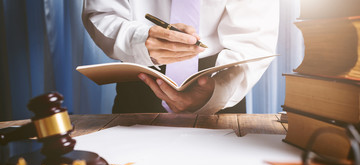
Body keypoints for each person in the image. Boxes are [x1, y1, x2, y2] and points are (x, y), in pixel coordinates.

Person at [82, 0, 279, 114]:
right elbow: (101, 12)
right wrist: (139, 40)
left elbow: (254, 37)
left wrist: (218, 91)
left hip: (219, 83)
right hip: (138, 81)